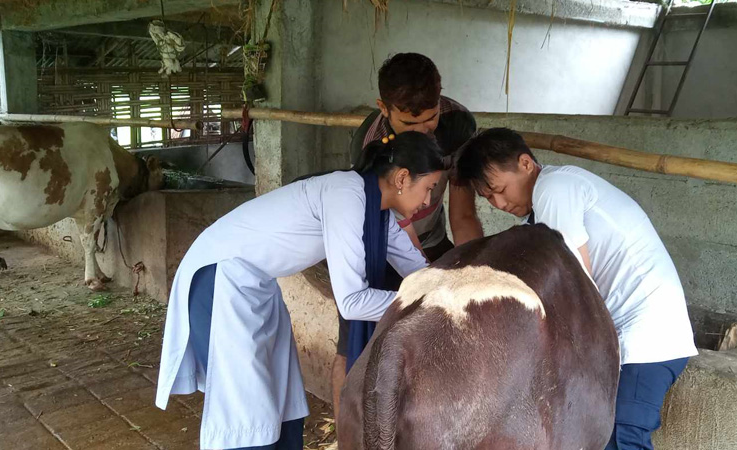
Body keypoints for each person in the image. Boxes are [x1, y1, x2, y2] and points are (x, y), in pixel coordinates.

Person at [156, 132, 445, 450]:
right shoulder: (347, 194)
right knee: (246, 409)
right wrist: (428, 303)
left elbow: (421, 273)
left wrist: (449, 290)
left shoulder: (377, 212)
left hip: (256, 285)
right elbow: (352, 302)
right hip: (220, 279)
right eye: (429, 188)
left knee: (280, 395)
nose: (427, 201)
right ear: (402, 178)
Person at [455, 127, 698, 450]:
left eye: (500, 190)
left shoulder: (555, 188)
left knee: (622, 440)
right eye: (488, 198)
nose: (499, 203)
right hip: (627, 340)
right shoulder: (543, 211)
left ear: (525, 163)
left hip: (645, 340)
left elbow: (572, 285)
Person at [332, 52, 483, 419]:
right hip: (379, 242)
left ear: (440, 100)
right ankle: (347, 431)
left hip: (433, 237)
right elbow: (396, 224)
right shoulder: (370, 144)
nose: (421, 132)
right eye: (409, 124)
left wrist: (473, 270)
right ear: (384, 108)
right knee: (353, 347)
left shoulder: (458, 125)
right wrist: (423, 278)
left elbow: (463, 213)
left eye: (430, 119)